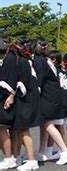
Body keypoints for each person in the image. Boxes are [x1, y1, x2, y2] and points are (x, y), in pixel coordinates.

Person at [36, 48, 67, 165]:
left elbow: (40, 81)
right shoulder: (60, 71)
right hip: (59, 100)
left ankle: (64, 150)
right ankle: (42, 152)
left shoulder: (50, 68)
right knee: (46, 125)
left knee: (49, 125)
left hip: (50, 99)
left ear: (53, 59)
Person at [11, 38, 42, 170]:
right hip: (33, 95)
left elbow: (22, 85)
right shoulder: (29, 60)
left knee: (24, 129)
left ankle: (31, 160)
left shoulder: (23, 62)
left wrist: (12, 94)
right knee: (22, 129)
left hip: (27, 97)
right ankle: (26, 157)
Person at [0, 37, 18, 170]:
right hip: (6, 95)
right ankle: (14, 156)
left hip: (6, 96)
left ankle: (9, 157)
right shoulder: (9, 57)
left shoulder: (10, 58)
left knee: (2, 128)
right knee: (11, 129)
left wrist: (11, 95)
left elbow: (12, 78)